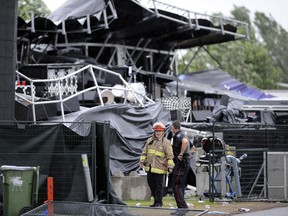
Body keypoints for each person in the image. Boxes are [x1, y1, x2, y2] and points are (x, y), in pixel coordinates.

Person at [140, 122, 174, 207]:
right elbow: (144, 152)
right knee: (151, 185)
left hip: (160, 168)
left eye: (160, 131)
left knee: (158, 187)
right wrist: (141, 161)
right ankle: (156, 201)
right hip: (150, 168)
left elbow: (170, 156)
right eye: (156, 131)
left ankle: (159, 202)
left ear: (163, 132)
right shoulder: (149, 141)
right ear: (154, 132)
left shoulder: (166, 142)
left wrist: (170, 167)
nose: (158, 132)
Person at [170, 120, 191, 215]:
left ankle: (183, 207)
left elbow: (185, 142)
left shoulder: (179, 135)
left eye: (171, 127)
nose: (171, 129)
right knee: (180, 185)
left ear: (174, 127)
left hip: (182, 163)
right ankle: (180, 208)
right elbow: (193, 147)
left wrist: (181, 154)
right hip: (184, 162)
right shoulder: (184, 134)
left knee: (176, 185)